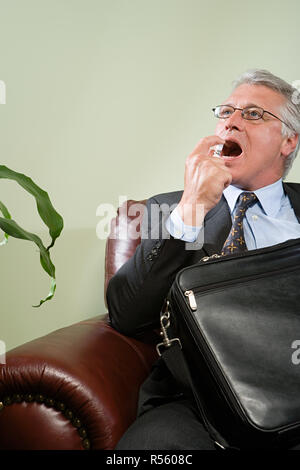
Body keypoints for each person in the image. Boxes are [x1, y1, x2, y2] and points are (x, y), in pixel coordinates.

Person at [107, 69, 300, 450]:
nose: (231, 121)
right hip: (197, 401)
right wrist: (192, 207)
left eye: (253, 114)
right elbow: (127, 315)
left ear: (288, 141)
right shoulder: (167, 210)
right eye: (226, 111)